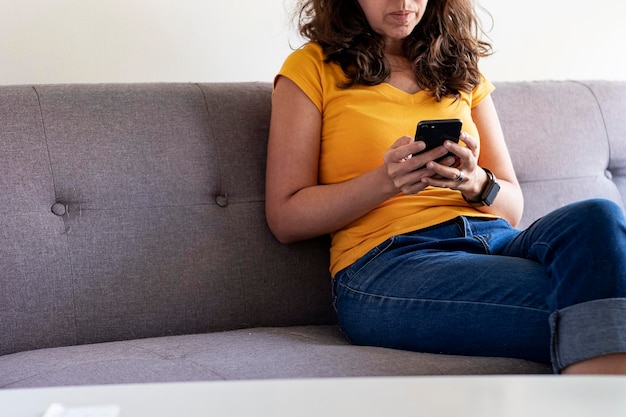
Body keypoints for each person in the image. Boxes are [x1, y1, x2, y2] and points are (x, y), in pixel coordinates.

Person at [265, 0, 626, 374]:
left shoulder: (461, 70)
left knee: (598, 216)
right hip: (390, 264)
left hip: (495, 241)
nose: (403, 3)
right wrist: (385, 182)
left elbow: (511, 205)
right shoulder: (311, 69)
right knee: (597, 295)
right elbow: (285, 216)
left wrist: (473, 181)